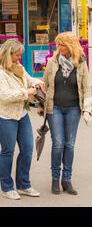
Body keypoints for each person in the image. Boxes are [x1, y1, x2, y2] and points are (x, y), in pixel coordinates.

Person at [0, 39, 44, 200]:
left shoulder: (18, 67)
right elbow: (5, 96)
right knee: (8, 151)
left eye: (20, 55)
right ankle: (7, 187)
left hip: (21, 114)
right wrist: (27, 92)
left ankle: (24, 185)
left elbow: (29, 79)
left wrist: (38, 82)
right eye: (16, 55)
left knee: (27, 149)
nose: (19, 58)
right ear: (8, 54)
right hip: (4, 116)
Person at [42, 32, 91, 195]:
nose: (59, 48)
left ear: (70, 45)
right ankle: (55, 179)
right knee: (58, 143)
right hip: (54, 108)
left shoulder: (81, 63)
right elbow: (45, 85)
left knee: (69, 144)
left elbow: (87, 88)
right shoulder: (52, 62)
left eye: (62, 45)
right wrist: (42, 105)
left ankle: (67, 180)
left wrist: (87, 109)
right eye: (58, 45)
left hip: (73, 109)